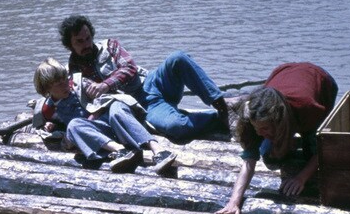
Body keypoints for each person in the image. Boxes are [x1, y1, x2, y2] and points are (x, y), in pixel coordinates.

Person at [58, 15, 230, 142]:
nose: (86, 44)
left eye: (88, 38)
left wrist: (105, 85)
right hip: (141, 104)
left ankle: (222, 107)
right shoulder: (72, 74)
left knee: (177, 58)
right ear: (70, 45)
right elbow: (75, 102)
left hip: (151, 81)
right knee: (176, 127)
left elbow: (129, 68)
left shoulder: (110, 45)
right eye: (79, 42)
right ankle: (214, 119)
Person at [216, 62, 339, 214]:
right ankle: (286, 140)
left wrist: (301, 178)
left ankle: (296, 137)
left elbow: (324, 148)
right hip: (285, 71)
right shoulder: (252, 116)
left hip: (321, 79)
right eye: (257, 128)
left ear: (279, 120)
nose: (260, 133)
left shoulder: (309, 109)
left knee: (311, 150)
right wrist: (233, 202)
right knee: (270, 155)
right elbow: (249, 160)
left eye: (265, 129)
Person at [32, 57, 177, 174]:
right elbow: (54, 131)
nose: (65, 85)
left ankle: (159, 151)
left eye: (65, 79)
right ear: (47, 89)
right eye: (58, 84)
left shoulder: (79, 84)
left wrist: (96, 112)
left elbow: (106, 97)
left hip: (115, 121)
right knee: (74, 125)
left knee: (116, 107)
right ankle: (121, 151)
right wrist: (52, 127)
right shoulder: (47, 109)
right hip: (99, 135)